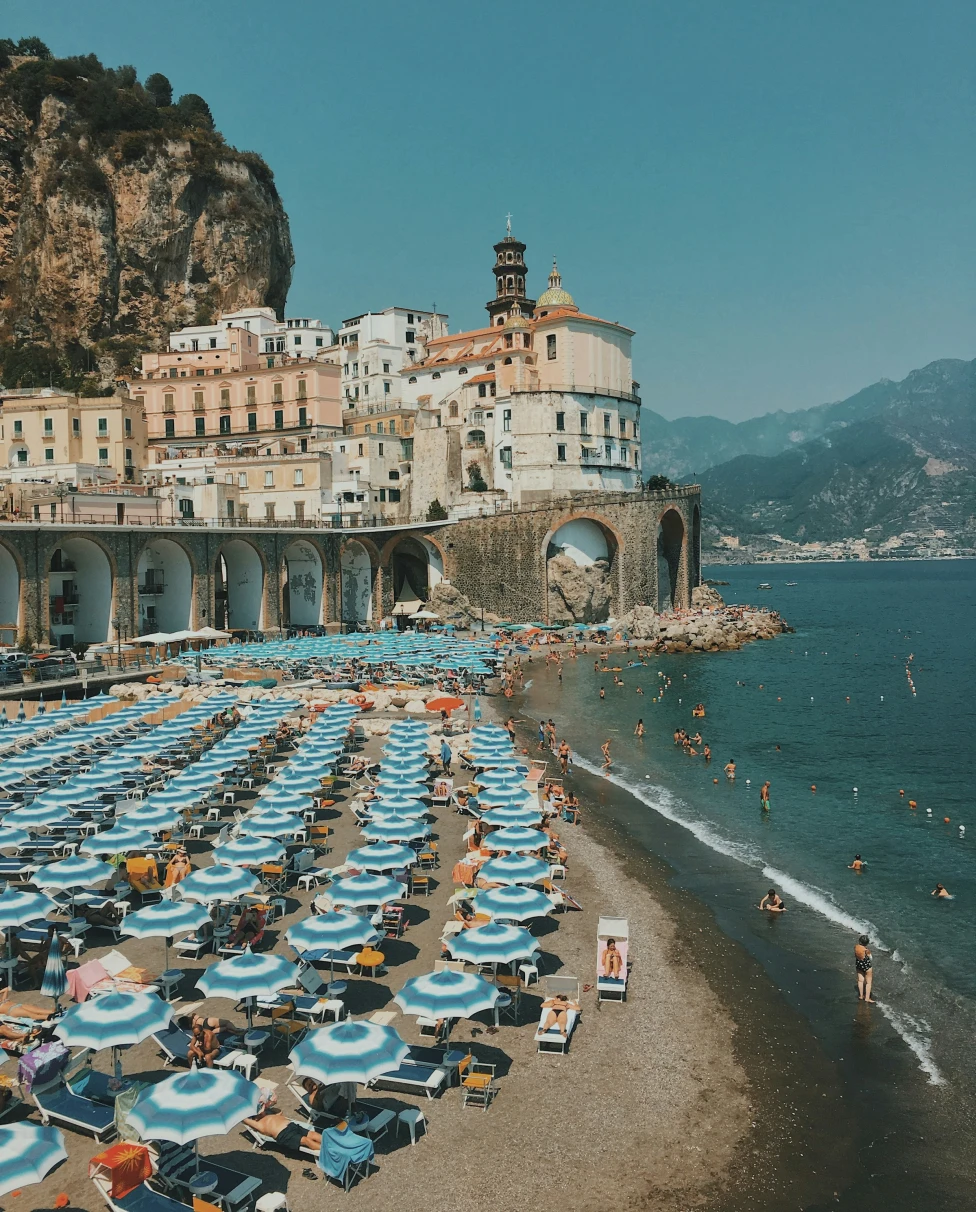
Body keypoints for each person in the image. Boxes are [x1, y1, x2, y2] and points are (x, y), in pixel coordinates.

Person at [242, 1106, 321, 1154]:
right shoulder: (259, 1124)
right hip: (284, 1134)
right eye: (256, 1114)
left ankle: (332, 1141)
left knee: (314, 1134)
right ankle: (329, 1150)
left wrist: (264, 1107)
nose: (258, 1113)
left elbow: (279, 1111)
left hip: (292, 1125)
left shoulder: (272, 1115)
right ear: (254, 1119)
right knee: (306, 1140)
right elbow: (245, 1119)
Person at [854, 935, 875, 1002]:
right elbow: (871, 958)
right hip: (866, 966)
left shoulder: (856, 947)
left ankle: (861, 995)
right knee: (868, 982)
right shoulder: (866, 950)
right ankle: (867, 998)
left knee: (860, 980)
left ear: (859, 941)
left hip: (859, 965)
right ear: (867, 943)